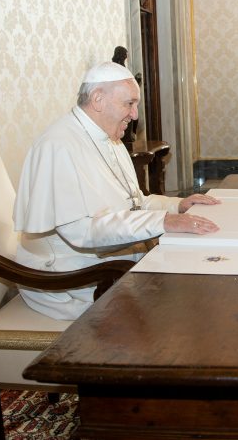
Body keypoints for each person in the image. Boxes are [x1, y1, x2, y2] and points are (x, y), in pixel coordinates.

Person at [14, 61, 221, 320]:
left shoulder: (109, 138)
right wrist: (164, 221)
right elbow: (82, 231)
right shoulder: (58, 145)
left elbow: (135, 202)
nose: (135, 115)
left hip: (112, 263)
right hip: (74, 280)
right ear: (98, 99)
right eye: (129, 104)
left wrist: (177, 206)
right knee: (183, 304)